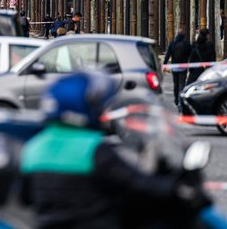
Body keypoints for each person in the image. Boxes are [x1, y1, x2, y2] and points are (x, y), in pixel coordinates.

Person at [20, 72, 196, 229]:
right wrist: (178, 190)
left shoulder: (32, 148)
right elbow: (138, 183)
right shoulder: (92, 149)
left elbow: (25, 197)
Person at [164, 30, 192, 107]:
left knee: (176, 84)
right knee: (181, 84)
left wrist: (164, 64)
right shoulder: (186, 44)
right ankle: (181, 100)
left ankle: (176, 99)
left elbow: (168, 54)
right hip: (183, 67)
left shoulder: (173, 43)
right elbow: (191, 54)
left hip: (174, 67)